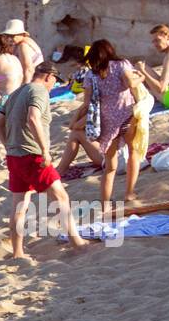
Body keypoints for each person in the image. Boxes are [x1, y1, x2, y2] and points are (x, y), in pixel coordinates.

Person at [0, 61, 87, 260]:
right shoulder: (39, 91)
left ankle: (18, 252)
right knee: (61, 197)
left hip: (14, 156)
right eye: (54, 80)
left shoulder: (15, 93)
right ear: (48, 76)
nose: (53, 85)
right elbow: (33, 118)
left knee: (19, 205)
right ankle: (77, 243)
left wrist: (8, 145)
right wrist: (45, 150)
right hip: (32, 155)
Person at [55, 39, 145, 211]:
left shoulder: (91, 75)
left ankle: (104, 203)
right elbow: (130, 83)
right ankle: (129, 193)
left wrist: (75, 120)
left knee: (110, 166)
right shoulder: (121, 64)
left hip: (107, 121)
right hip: (126, 115)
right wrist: (141, 75)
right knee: (133, 152)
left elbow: (87, 103)